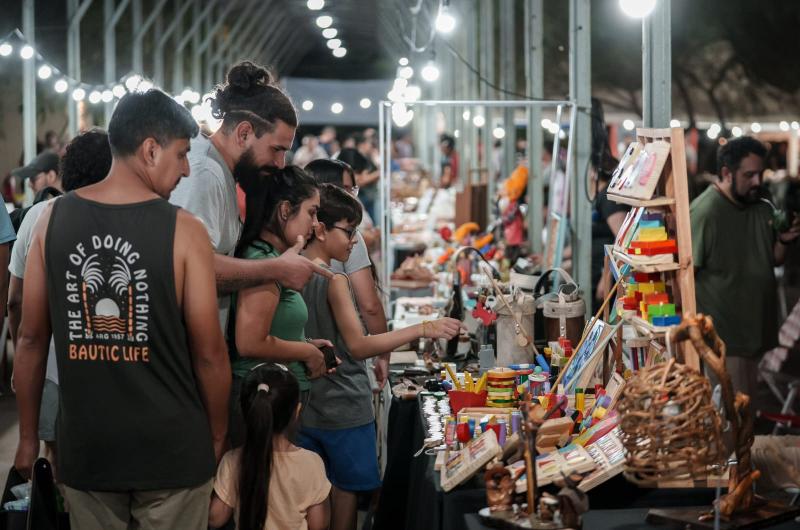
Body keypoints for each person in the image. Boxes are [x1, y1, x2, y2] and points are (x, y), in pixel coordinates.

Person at [13, 89, 231, 530]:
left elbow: (31, 339)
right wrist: (216, 435)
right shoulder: (184, 231)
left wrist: (28, 436)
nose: (186, 169)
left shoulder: (50, 219)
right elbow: (209, 352)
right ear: (150, 149)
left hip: (88, 448)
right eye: (182, 154)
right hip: (172, 450)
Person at [300, 183, 462, 530]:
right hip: (343, 404)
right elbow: (358, 346)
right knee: (344, 492)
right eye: (349, 231)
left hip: (306, 406)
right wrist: (423, 328)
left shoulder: (292, 269)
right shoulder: (334, 279)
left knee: (313, 495)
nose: (355, 241)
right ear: (321, 228)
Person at [169, 61, 330, 341]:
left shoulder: (220, 171)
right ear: (244, 133)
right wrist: (277, 269)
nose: (281, 164)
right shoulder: (205, 173)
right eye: (276, 149)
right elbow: (191, 270)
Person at [8, 128, 113, 476]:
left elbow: (15, 301)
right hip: (110, 368)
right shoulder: (124, 219)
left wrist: (21, 366)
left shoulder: (37, 217)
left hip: (48, 366)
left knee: (54, 460)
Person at [229, 166, 334, 446]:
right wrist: (306, 351)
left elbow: (270, 326)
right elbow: (250, 342)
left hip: (279, 398)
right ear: (285, 210)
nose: (315, 224)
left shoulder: (276, 259)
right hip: (264, 402)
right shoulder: (263, 261)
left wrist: (305, 342)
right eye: (311, 212)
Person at [691, 136, 800, 398]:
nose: (757, 182)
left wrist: (784, 241)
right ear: (727, 173)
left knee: (746, 417)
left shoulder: (762, 208)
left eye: (760, 173)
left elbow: (772, 258)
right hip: (725, 339)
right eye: (749, 174)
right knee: (733, 423)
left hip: (757, 336)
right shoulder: (705, 213)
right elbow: (685, 276)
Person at [209, 363, 331, 530]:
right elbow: (318, 525)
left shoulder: (233, 460)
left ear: (247, 413)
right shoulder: (311, 463)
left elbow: (216, 518)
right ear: (296, 412)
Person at [304, 158, 389, 388]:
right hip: (345, 381)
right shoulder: (346, 238)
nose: (352, 195)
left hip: (310, 379)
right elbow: (369, 305)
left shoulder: (296, 245)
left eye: (354, 188)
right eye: (347, 188)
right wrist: (386, 352)